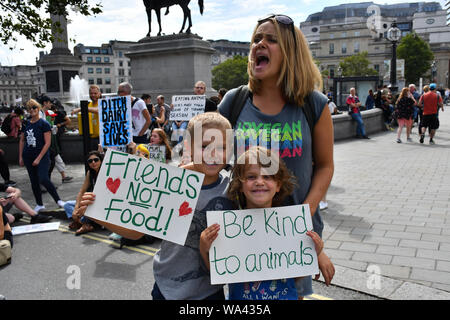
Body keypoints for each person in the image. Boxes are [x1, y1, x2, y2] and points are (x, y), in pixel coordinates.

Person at [218, 14, 335, 298]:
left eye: (271, 40)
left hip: (293, 238)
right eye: (257, 39)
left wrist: (305, 213)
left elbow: (325, 166)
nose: (260, 44)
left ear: (290, 52)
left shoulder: (314, 104)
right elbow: (207, 163)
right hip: (242, 233)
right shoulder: (234, 102)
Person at [77, 112, 234, 300]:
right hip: (166, 287)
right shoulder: (169, 181)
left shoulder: (233, 189)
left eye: (222, 147)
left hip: (209, 292)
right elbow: (136, 232)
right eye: (204, 146)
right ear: (189, 147)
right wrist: (96, 214)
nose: (213, 154)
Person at [200, 147, 324, 300]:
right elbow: (219, 275)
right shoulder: (230, 229)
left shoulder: (289, 226)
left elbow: (296, 278)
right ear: (240, 185)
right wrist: (204, 249)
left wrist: (312, 255)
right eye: (251, 177)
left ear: (278, 185)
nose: (260, 182)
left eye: (268, 177)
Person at [18, 99, 66, 212]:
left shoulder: (44, 124)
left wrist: (39, 158)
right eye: (29, 108)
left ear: (38, 108)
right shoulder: (26, 123)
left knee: (43, 178)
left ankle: (58, 200)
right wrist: (20, 157)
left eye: (34, 107)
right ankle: (39, 204)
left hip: (42, 155)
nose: (32, 110)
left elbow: (48, 143)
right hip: (28, 155)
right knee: (34, 181)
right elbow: (22, 140)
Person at [65, 151, 104, 235]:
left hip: (101, 205)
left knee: (84, 209)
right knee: (67, 205)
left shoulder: (106, 172)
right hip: (90, 202)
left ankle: (81, 222)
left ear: (101, 161)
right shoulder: (90, 173)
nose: (93, 162)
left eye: (96, 160)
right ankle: (84, 223)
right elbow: (82, 191)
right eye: (90, 161)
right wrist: (76, 208)